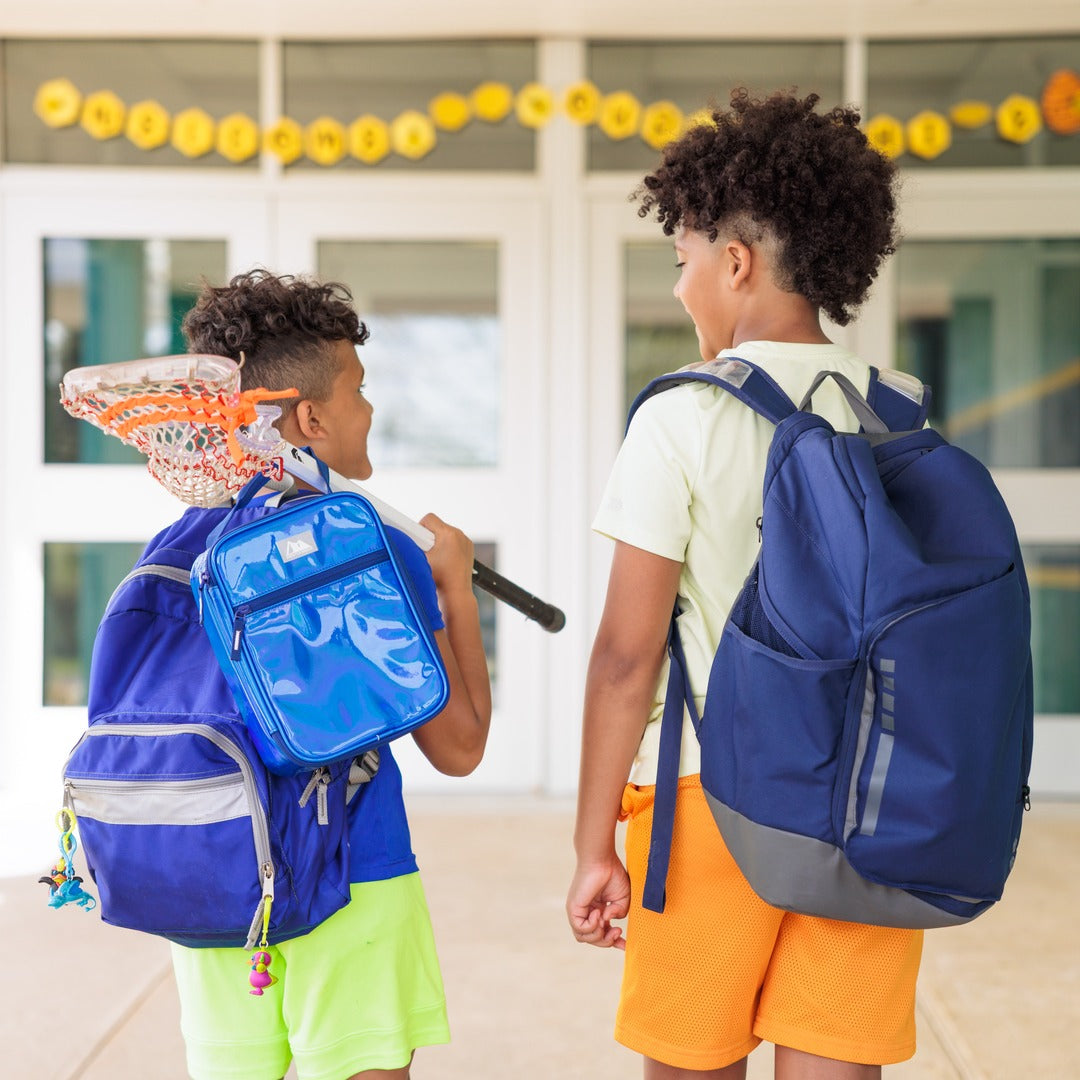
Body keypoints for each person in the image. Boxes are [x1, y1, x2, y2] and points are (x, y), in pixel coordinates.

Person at [565, 90, 923, 1080]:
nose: (682, 287)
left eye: (682, 260)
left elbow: (626, 657)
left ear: (735, 263)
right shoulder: (898, 413)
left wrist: (594, 848)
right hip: (873, 800)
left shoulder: (681, 417)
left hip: (709, 797)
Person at [174, 269, 492, 1080]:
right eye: (359, 389)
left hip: (214, 887)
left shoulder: (186, 544)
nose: (370, 409)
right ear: (311, 418)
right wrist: (455, 586)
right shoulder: (367, 548)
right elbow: (459, 747)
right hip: (354, 879)